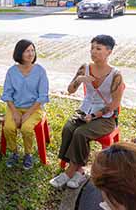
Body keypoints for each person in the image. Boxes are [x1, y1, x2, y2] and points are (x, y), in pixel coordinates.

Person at [50, 35, 124, 190]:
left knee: (81, 133)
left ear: (109, 52)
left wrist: (94, 116)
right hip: (84, 110)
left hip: (105, 117)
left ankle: (70, 172)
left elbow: (114, 104)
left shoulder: (115, 75)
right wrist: (79, 80)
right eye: (92, 48)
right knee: (68, 128)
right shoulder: (85, 67)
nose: (93, 52)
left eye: (98, 48)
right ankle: (79, 170)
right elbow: (70, 90)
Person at [1, 39, 50, 169]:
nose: (31, 53)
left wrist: (28, 114)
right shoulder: (12, 71)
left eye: (32, 50)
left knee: (26, 128)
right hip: (15, 107)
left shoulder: (40, 71)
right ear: (19, 53)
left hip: (34, 109)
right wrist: (15, 112)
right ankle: (14, 152)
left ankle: (28, 154)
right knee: (8, 128)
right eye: (27, 51)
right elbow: (7, 94)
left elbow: (42, 96)